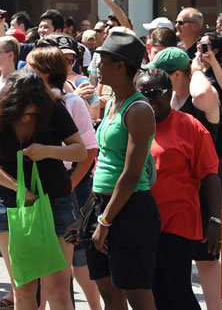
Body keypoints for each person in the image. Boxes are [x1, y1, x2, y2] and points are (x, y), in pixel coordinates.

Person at [0, 68, 85, 310]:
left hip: (55, 202)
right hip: (10, 205)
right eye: (21, 112)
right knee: (23, 290)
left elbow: (80, 150)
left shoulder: (53, 109)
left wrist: (48, 151)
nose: (25, 119)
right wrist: (19, 189)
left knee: (58, 289)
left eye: (32, 113)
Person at [84, 29, 160, 310]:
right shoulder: (112, 103)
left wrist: (104, 223)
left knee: (137, 294)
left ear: (119, 65)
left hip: (131, 209)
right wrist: (89, 212)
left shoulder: (139, 109)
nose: (96, 67)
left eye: (101, 60)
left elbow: (130, 175)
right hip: (102, 204)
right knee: (108, 289)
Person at [135, 68, 221, 310]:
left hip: (177, 222)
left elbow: (211, 176)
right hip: (142, 222)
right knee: (154, 292)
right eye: (142, 94)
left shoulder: (189, 126)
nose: (148, 100)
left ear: (169, 94)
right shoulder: (133, 125)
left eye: (154, 93)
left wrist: (215, 220)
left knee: (179, 292)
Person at [23, 46, 101, 310]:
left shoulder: (73, 103)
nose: (26, 71)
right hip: (32, 185)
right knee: (34, 269)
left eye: (31, 67)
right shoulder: (22, 102)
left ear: (46, 73)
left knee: (73, 262)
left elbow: (89, 151)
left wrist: (71, 184)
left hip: (68, 186)